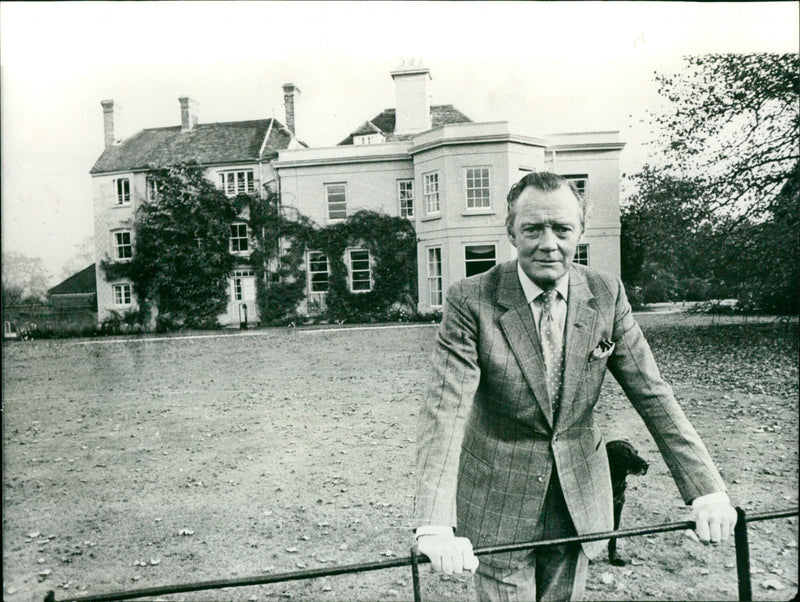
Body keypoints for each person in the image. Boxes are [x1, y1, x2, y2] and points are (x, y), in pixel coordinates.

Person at [413, 172, 736, 601]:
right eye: (533, 228)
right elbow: (445, 408)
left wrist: (707, 490)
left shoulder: (605, 293)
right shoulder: (470, 300)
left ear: (580, 232)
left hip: (579, 499)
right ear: (511, 231)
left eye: (562, 229)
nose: (549, 243)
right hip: (497, 502)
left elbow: (652, 392)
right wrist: (434, 523)